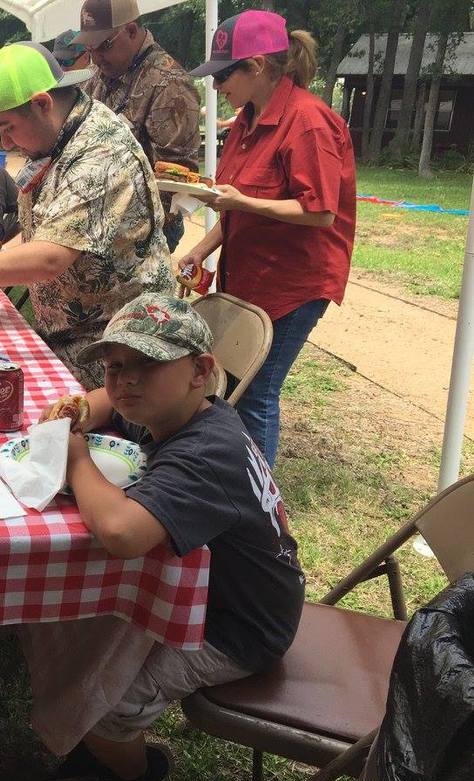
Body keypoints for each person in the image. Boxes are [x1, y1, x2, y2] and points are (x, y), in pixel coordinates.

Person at [29, 293, 303, 781]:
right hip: (208, 594)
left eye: (146, 365)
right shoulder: (176, 409)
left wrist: (75, 457)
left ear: (201, 370)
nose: (125, 381)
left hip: (237, 627)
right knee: (66, 632)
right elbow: (105, 400)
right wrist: (76, 413)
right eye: (115, 366)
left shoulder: (206, 451)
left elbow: (121, 533)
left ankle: (133, 774)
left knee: (104, 708)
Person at [0, 42, 172, 390]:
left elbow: (49, 257)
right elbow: (38, 230)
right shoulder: (55, 137)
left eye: (8, 127)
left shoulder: (100, 155)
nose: (6, 143)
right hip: (69, 336)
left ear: (42, 103)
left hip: (114, 351)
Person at [180, 10, 355, 467]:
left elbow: (319, 213)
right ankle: (235, 473)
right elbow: (234, 203)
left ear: (257, 66)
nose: (217, 87)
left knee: (258, 388)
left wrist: (244, 205)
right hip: (251, 275)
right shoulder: (246, 119)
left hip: (293, 284)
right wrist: (200, 250)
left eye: (223, 75)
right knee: (232, 378)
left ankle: (260, 506)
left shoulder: (310, 122)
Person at [73, 0, 199, 252]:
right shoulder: (102, 72)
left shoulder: (168, 84)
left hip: (142, 230)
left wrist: (139, 238)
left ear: (131, 31)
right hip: (98, 220)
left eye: (104, 46)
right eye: (89, 48)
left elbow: (176, 176)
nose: (96, 58)